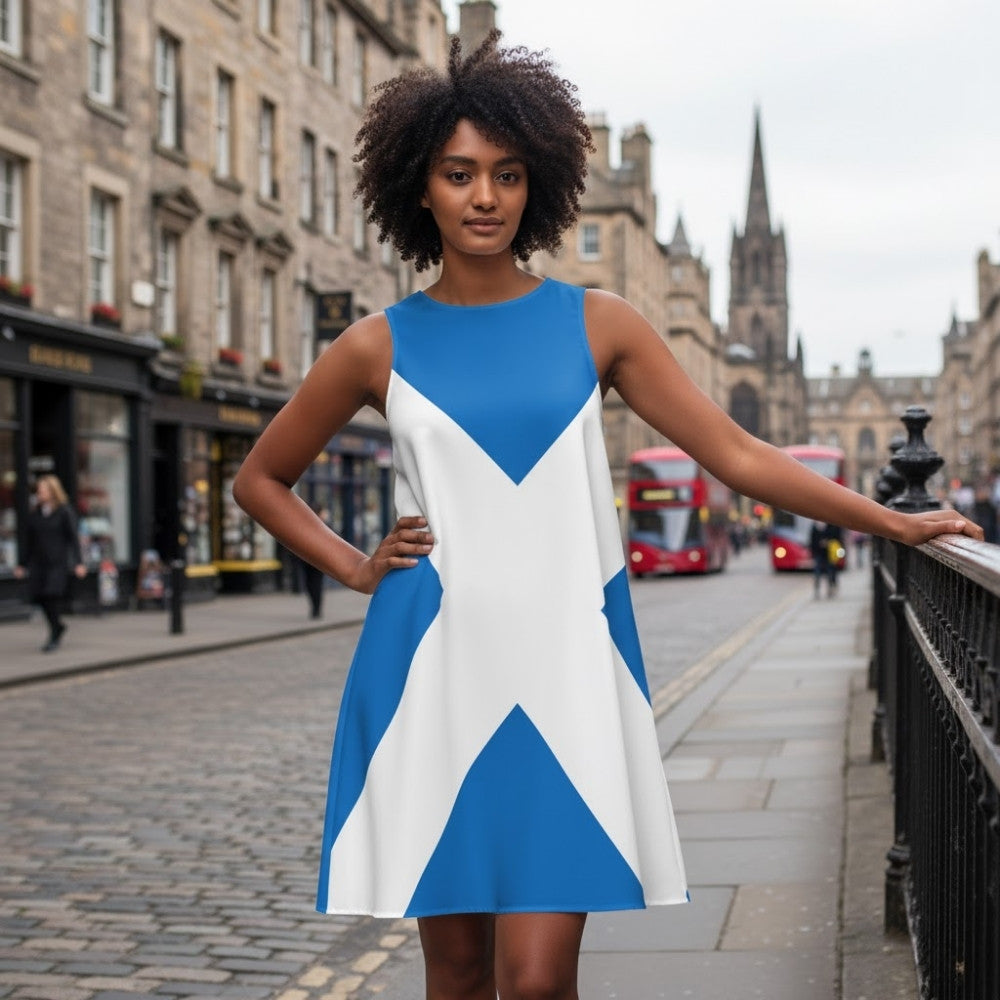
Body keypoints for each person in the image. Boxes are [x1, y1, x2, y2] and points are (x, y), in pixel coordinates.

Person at [232, 33, 981, 1000]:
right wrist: (354, 566)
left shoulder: (601, 322)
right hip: (428, 670)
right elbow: (261, 478)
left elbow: (743, 455)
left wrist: (893, 521)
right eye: (459, 174)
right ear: (421, 188)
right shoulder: (373, 346)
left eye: (507, 174)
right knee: (456, 974)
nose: (485, 196)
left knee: (539, 981)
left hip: (569, 670)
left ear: (535, 184)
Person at [14, 475, 87, 652]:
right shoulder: (35, 513)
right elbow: (28, 541)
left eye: (43, 490)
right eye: (38, 491)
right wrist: (21, 564)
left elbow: (73, 539)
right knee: (39, 597)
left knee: (51, 595)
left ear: (53, 491)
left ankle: (54, 634)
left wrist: (79, 562)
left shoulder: (64, 511)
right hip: (38, 563)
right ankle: (58, 626)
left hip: (57, 563)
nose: (39, 493)